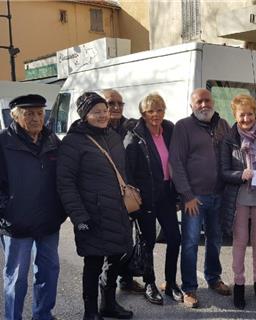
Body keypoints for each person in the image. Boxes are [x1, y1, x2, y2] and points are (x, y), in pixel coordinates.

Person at [57, 92, 133, 320]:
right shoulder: (73, 142)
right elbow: (65, 183)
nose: (102, 115)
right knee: (93, 264)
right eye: (96, 112)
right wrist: (79, 217)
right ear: (84, 115)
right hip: (92, 214)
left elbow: (122, 173)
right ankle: (90, 311)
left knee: (115, 258)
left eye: (104, 110)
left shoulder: (113, 136)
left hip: (117, 211)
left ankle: (108, 304)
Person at [0, 94, 65, 320]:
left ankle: (43, 315)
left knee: (49, 272)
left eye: (40, 113)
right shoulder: (3, 142)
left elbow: (63, 179)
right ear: (15, 116)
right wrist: (6, 212)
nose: (36, 118)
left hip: (48, 221)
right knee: (16, 278)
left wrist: (60, 211)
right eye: (29, 114)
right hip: (17, 223)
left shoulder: (52, 141)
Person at [169, 88, 231, 308]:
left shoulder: (222, 124)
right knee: (191, 243)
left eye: (207, 100)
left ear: (212, 102)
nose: (204, 105)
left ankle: (213, 278)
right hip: (194, 198)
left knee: (215, 240)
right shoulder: (183, 126)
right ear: (192, 105)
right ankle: (189, 288)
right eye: (199, 102)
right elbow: (175, 162)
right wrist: (187, 195)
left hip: (219, 195)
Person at [123, 93, 182, 305]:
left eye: (159, 109)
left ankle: (171, 282)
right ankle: (150, 283)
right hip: (146, 196)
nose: (155, 114)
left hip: (167, 193)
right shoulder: (135, 136)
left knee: (175, 238)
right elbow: (127, 171)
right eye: (150, 111)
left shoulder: (170, 130)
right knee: (147, 242)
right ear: (143, 113)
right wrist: (135, 196)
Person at [220, 94, 256, 309]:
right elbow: (223, 172)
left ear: (255, 113)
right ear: (235, 115)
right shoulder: (229, 138)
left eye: (250, 113)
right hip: (239, 199)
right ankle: (239, 285)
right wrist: (240, 174)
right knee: (240, 243)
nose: (246, 118)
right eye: (242, 115)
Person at [102, 89, 144, 294]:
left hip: (129, 194)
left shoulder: (131, 127)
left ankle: (126, 279)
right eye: (111, 103)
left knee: (128, 241)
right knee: (109, 246)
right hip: (105, 196)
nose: (116, 107)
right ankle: (105, 292)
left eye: (120, 103)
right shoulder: (96, 129)